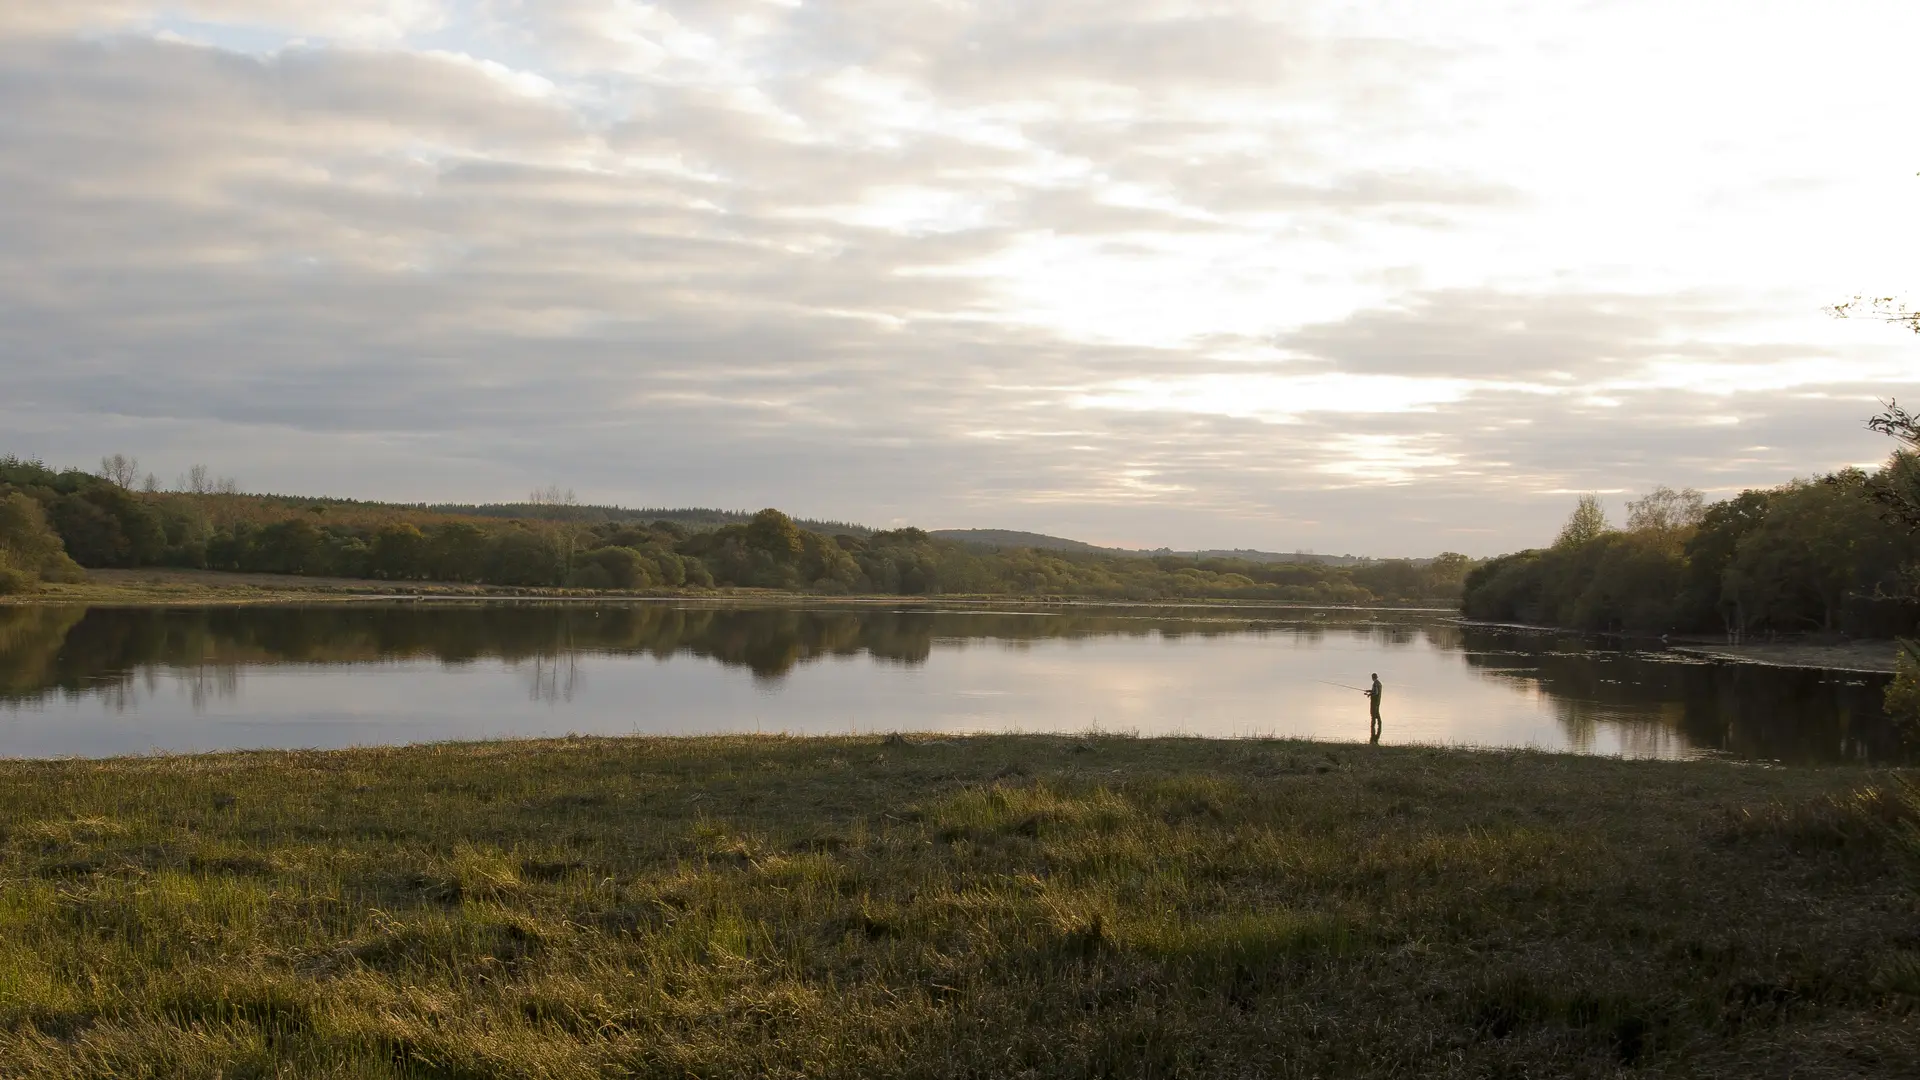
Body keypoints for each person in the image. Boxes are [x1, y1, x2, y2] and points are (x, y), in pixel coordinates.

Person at [1365, 672, 1383, 744]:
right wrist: (1369, 691)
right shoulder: (1379, 683)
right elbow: (1376, 691)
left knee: (1373, 714)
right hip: (1378, 701)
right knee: (1377, 714)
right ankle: (1379, 726)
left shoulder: (1375, 683)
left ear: (1373, 677)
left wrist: (1369, 694)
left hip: (1374, 702)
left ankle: (1373, 727)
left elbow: (1375, 693)